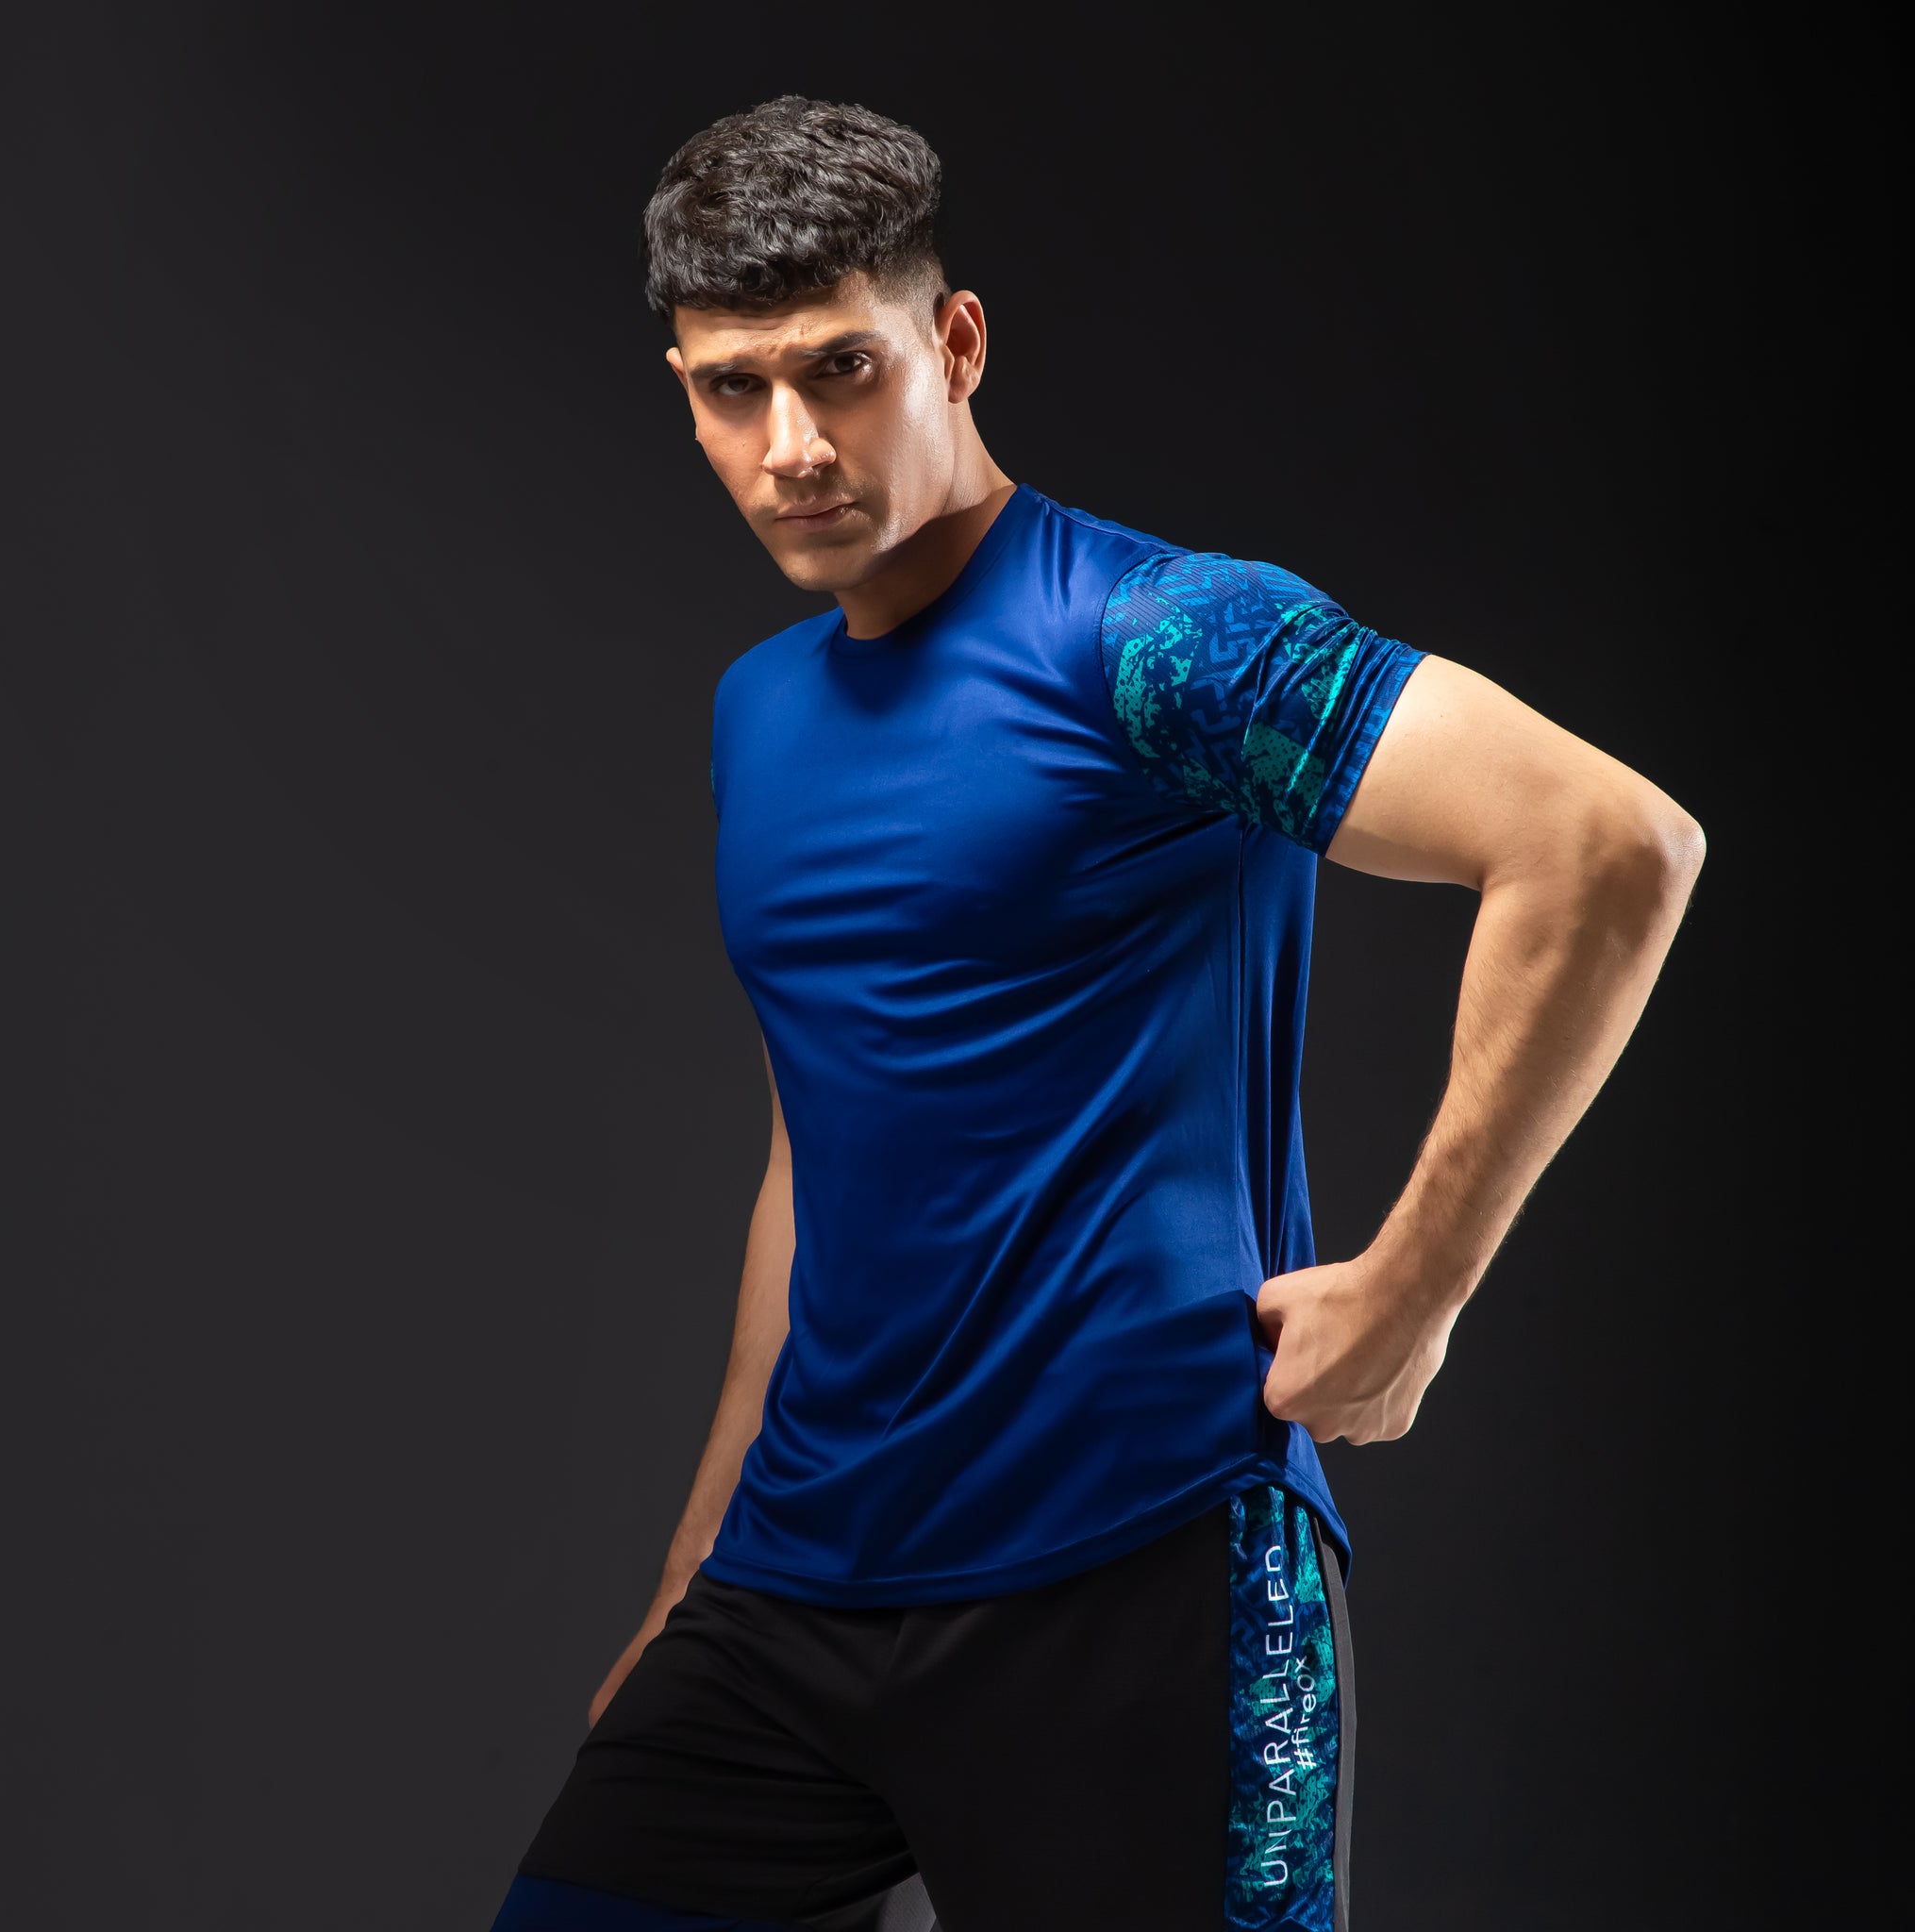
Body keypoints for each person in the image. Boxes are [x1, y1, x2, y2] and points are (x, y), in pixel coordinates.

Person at [489, 95, 1703, 1932]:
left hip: (1139, 1580)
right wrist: (692, 1563)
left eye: (841, 370)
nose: (792, 446)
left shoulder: (1154, 637)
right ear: (685, 390)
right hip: (801, 1586)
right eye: (736, 390)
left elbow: (1603, 842)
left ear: (955, 343)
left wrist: (1411, 1291)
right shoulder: (759, 710)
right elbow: (820, 1150)